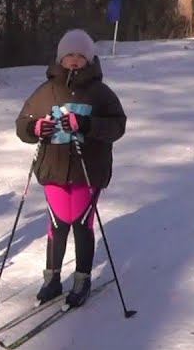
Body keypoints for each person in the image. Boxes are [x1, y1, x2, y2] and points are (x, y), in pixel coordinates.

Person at [14, 29, 127, 308]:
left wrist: (87, 125)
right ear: (60, 59)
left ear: (88, 60)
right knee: (57, 224)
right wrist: (34, 127)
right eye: (69, 56)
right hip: (53, 168)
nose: (74, 61)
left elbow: (117, 125)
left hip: (88, 170)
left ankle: (82, 278)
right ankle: (51, 279)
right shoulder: (46, 91)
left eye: (80, 56)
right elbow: (23, 124)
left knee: (81, 223)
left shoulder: (100, 93)